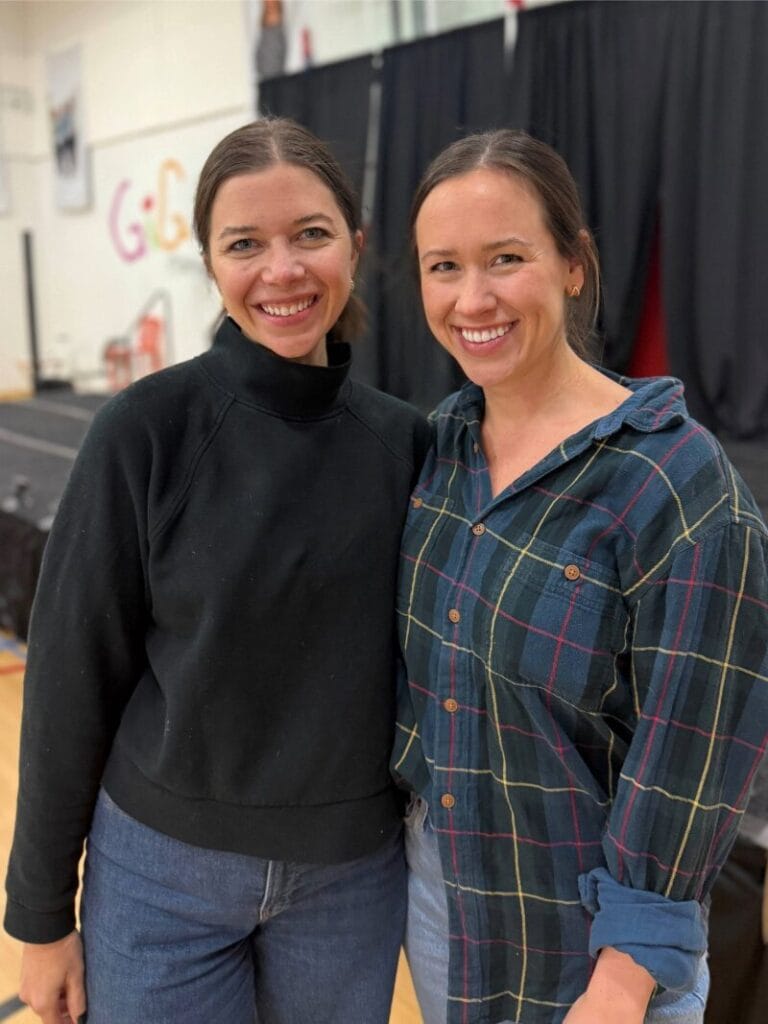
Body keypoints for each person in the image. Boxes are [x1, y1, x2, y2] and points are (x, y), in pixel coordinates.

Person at [4, 117, 431, 1024]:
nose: (281, 271)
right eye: (246, 244)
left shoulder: (406, 445)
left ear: (353, 246)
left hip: (349, 883)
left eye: (310, 235)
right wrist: (39, 916)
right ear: (210, 262)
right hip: (161, 875)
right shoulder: (144, 432)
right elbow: (71, 673)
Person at [391, 129, 768, 1024]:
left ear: (573, 265)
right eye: (442, 266)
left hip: (594, 951)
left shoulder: (676, 484)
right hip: (449, 908)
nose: (471, 297)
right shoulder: (441, 448)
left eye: (505, 258)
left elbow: (695, 757)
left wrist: (625, 980)